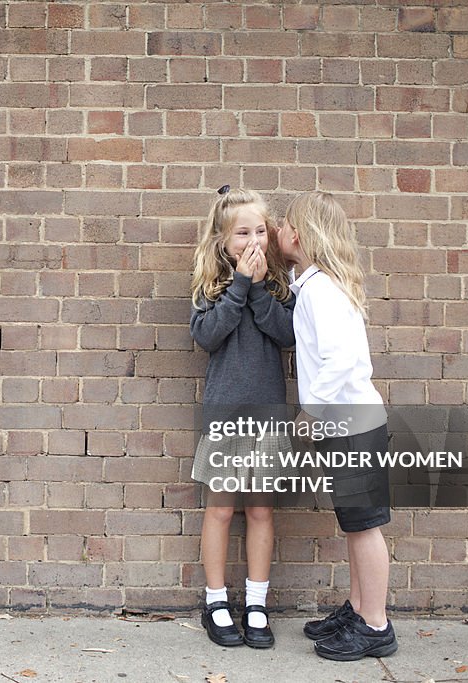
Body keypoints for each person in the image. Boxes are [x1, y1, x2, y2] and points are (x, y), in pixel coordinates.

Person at [277, 191, 398, 661]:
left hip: (352, 423)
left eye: (285, 224)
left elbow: (341, 359)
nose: (279, 230)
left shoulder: (322, 290)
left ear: (301, 236)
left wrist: (311, 412)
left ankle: (376, 625)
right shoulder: (314, 284)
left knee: (365, 527)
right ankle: (358, 607)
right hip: (349, 423)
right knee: (354, 523)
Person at [189, 186, 296, 648]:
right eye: (241, 233)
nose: (251, 239)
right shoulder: (210, 287)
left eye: (259, 230)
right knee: (219, 509)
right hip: (226, 415)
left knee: (260, 511)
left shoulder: (279, 287)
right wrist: (238, 287)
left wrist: (256, 289)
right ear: (222, 241)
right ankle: (216, 601)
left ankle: (256, 602)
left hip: (268, 416)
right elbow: (208, 337)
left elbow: (287, 335)